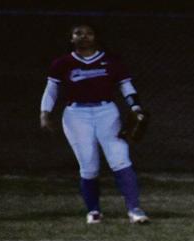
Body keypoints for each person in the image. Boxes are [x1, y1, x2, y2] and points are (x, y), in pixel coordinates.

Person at [39, 22, 150, 225]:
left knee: (120, 159)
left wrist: (135, 108)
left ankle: (134, 209)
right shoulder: (62, 63)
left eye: (89, 33)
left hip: (106, 111)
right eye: (78, 33)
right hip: (76, 114)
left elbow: (126, 86)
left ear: (96, 37)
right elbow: (51, 90)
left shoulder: (111, 61)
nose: (84, 37)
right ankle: (94, 211)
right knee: (88, 165)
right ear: (71, 38)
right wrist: (45, 113)